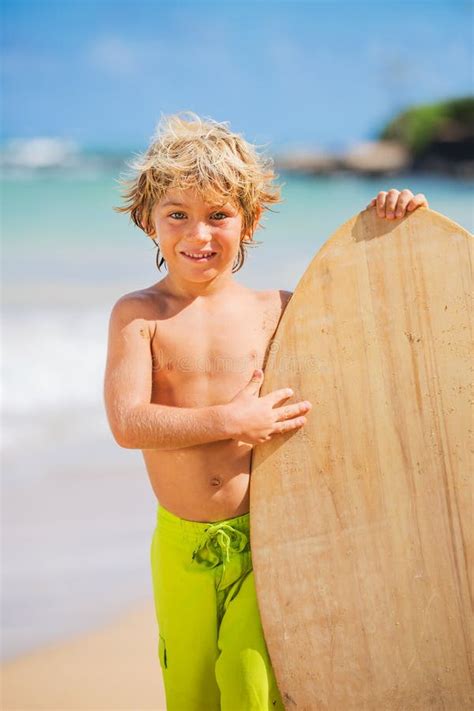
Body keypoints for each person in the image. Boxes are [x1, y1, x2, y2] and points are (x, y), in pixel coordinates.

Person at [103, 112, 429, 711]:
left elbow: (376, 330)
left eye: (219, 215)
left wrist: (396, 230)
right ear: (147, 219)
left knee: (256, 689)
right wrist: (233, 422)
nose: (198, 234)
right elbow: (128, 423)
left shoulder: (278, 310)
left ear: (249, 222)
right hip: (181, 544)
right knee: (191, 692)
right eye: (177, 214)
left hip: (274, 538)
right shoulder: (138, 315)